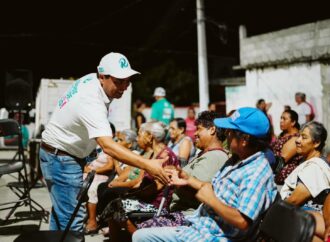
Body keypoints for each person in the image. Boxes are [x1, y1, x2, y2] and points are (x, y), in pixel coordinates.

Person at [39, 52, 169, 232]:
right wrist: (147, 164)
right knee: (73, 220)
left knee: (62, 216)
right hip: (61, 159)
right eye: (119, 81)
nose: (124, 86)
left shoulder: (93, 80)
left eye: (128, 81)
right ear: (102, 76)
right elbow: (108, 145)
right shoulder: (91, 100)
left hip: (60, 154)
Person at [133, 107, 278, 242]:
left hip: (213, 237)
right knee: (140, 235)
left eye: (231, 131)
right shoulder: (237, 160)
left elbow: (243, 221)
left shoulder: (256, 172)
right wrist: (187, 179)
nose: (226, 134)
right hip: (200, 226)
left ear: (245, 139)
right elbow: (216, 188)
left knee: (141, 237)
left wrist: (211, 200)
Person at [137, 111, 228, 229]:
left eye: (198, 129)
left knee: (142, 231)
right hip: (179, 212)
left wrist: (175, 177)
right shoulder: (206, 154)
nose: (195, 133)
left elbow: (201, 190)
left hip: (189, 215)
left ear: (212, 130)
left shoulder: (215, 156)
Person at [83, 129, 138, 234]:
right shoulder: (121, 153)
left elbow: (124, 175)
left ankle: (99, 220)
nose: (116, 143)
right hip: (116, 181)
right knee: (101, 188)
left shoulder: (133, 154)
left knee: (103, 189)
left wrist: (116, 163)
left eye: (120, 140)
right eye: (117, 140)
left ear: (130, 144)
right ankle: (99, 219)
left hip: (125, 185)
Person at [280, 121, 330, 212]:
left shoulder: (315, 168)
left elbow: (293, 201)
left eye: (304, 137)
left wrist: (274, 213)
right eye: (299, 136)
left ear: (316, 143)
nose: (297, 140)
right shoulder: (308, 163)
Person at [271, 110, 304, 184]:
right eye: (281, 118)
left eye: (284, 119)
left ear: (293, 122)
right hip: (274, 175)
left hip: (284, 179)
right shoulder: (282, 135)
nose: (281, 121)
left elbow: (280, 162)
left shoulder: (296, 138)